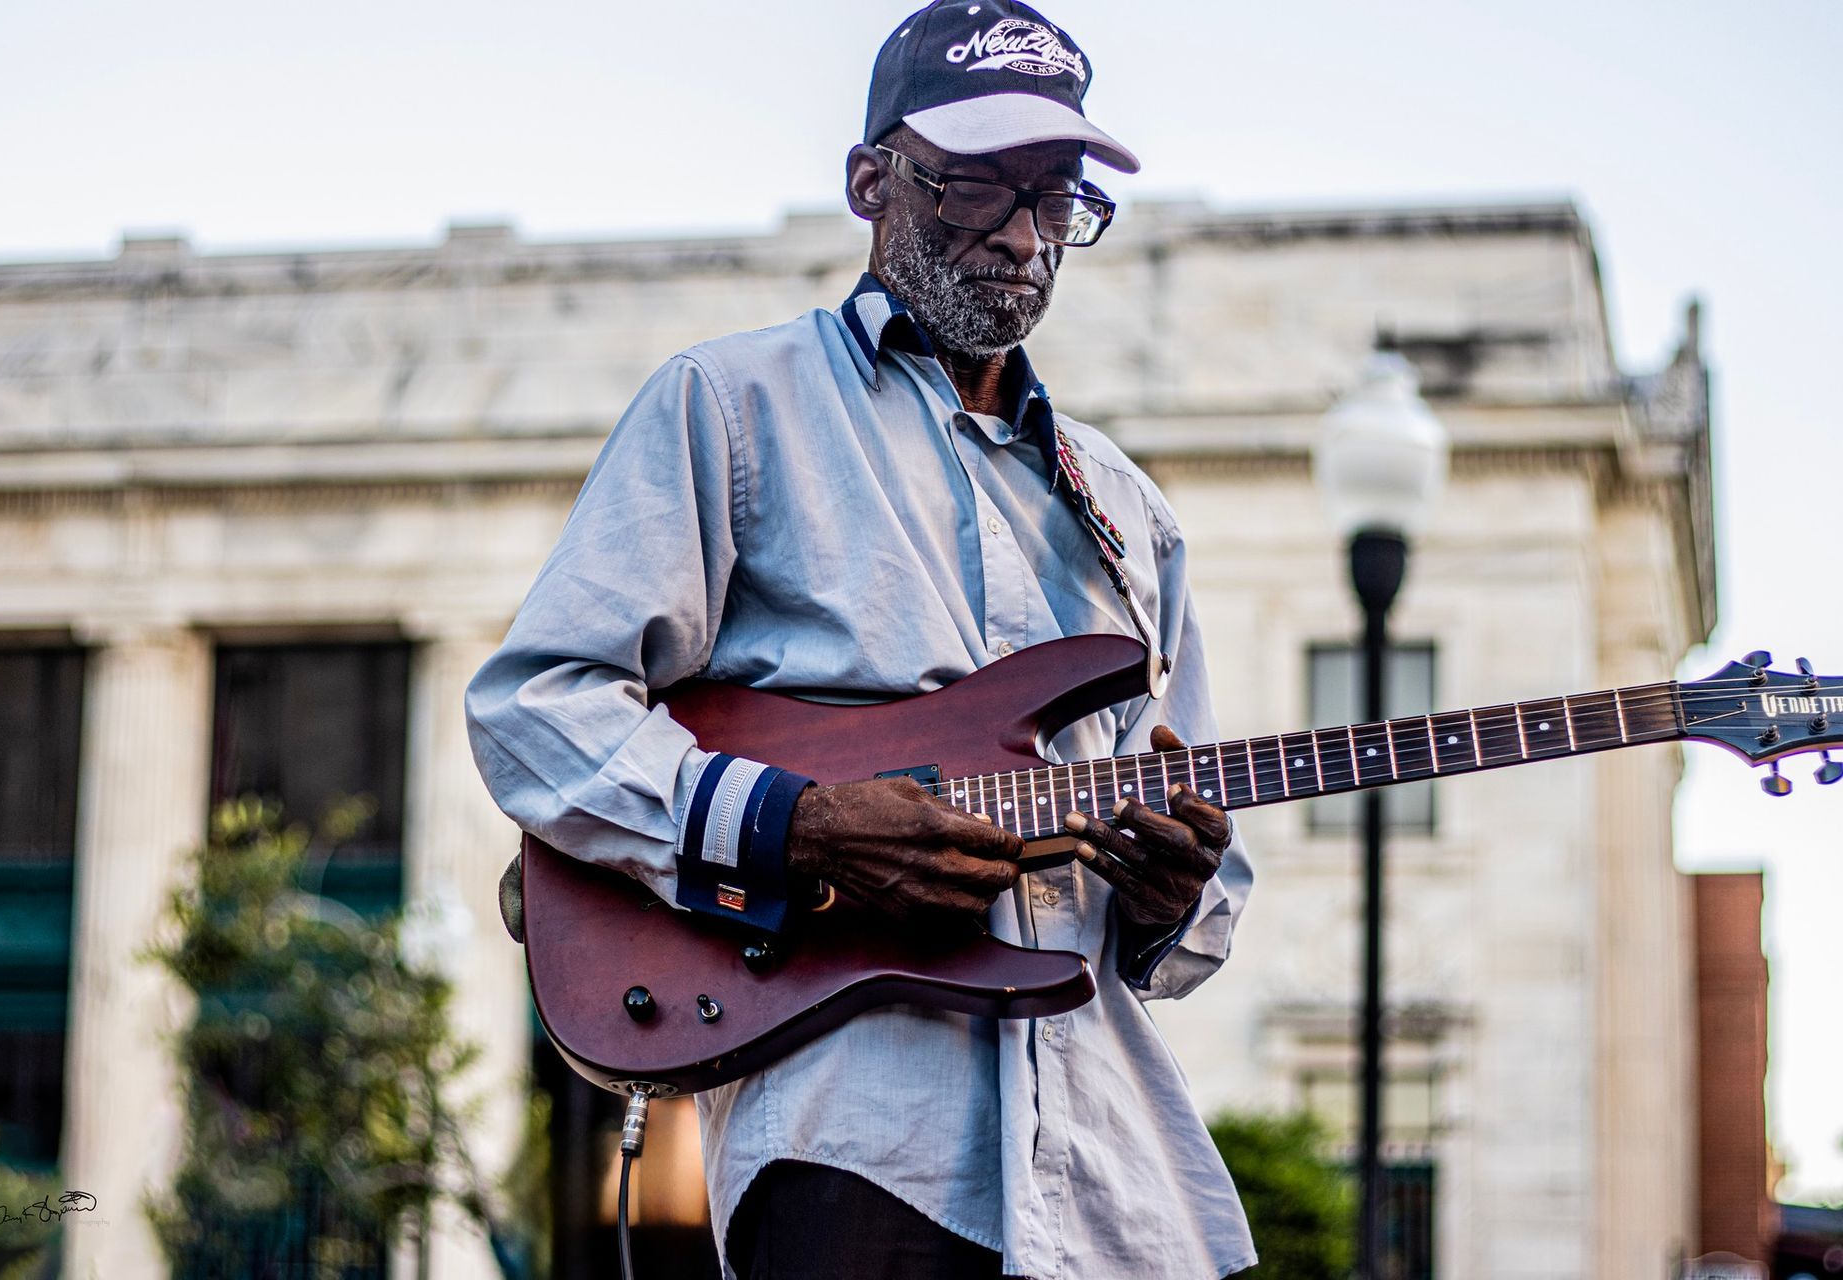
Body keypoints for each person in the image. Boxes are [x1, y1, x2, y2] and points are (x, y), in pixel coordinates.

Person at [465, 3, 1257, 1276]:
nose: (1019, 233)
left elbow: (1202, 907)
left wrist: (1172, 891)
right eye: (973, 188)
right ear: (870, 182)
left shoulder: (1131, 512)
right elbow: (535, 706)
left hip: (1124, 1189)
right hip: (857, 1142)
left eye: (1055, 197)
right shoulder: (732, 404)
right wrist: (794, 824)